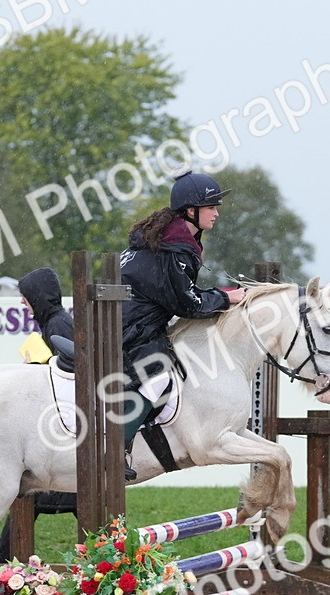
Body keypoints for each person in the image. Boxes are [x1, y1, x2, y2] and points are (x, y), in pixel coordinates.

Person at [118, 168, 245, 480]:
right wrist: (225, 299)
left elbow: (179, 296)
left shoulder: (167, 240)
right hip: (133, 330)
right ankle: (116, 446)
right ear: (191, 210)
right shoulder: (175, 249)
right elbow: (187, 304)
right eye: (211, 207)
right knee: (159, 378)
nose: (216, 213)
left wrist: (219, 296)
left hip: (132, 323)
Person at [0, 267, 78, 564]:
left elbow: (68, 375)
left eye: (24, 298)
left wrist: (34, 367)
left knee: (34, 495)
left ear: (36, 298)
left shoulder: (57, 326)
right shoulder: (55, 322)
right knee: (50, 496)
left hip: (66, 431)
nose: (21, 304)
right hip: (66, 432)